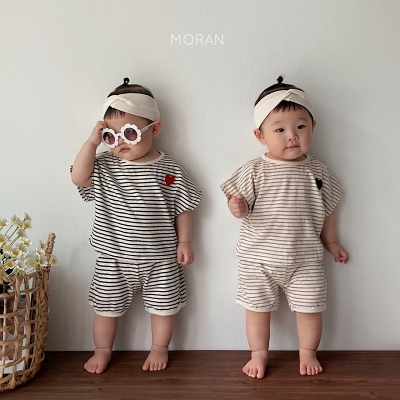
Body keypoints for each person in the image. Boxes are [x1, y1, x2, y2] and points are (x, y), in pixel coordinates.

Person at [221, 76, 349, 379]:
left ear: (312, 127)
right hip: (258, 258)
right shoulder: (254, 170)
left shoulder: (318, 172)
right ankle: (258, 354)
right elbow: (236, 202)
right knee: (257, 309)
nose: (292, 136)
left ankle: (308, 352)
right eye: (280, 129)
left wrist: (332, 242)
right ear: (260, 135)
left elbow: (328, 209)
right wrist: (237, 207)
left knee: (310, 308)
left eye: (300, 126)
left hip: (305, 259)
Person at [71, 78, 201, 374]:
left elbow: (183, 207)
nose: (120, 142)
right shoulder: (103, 166)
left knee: (164, 308)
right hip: (113, 257)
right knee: (105, 308)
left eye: (129, 133)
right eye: (111, 136)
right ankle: (102, 350)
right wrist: (92, 143)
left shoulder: (169, 169)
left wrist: (185, 242)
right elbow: (78, 178)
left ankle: (159, 348)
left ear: (154, 128)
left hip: (161, 257)